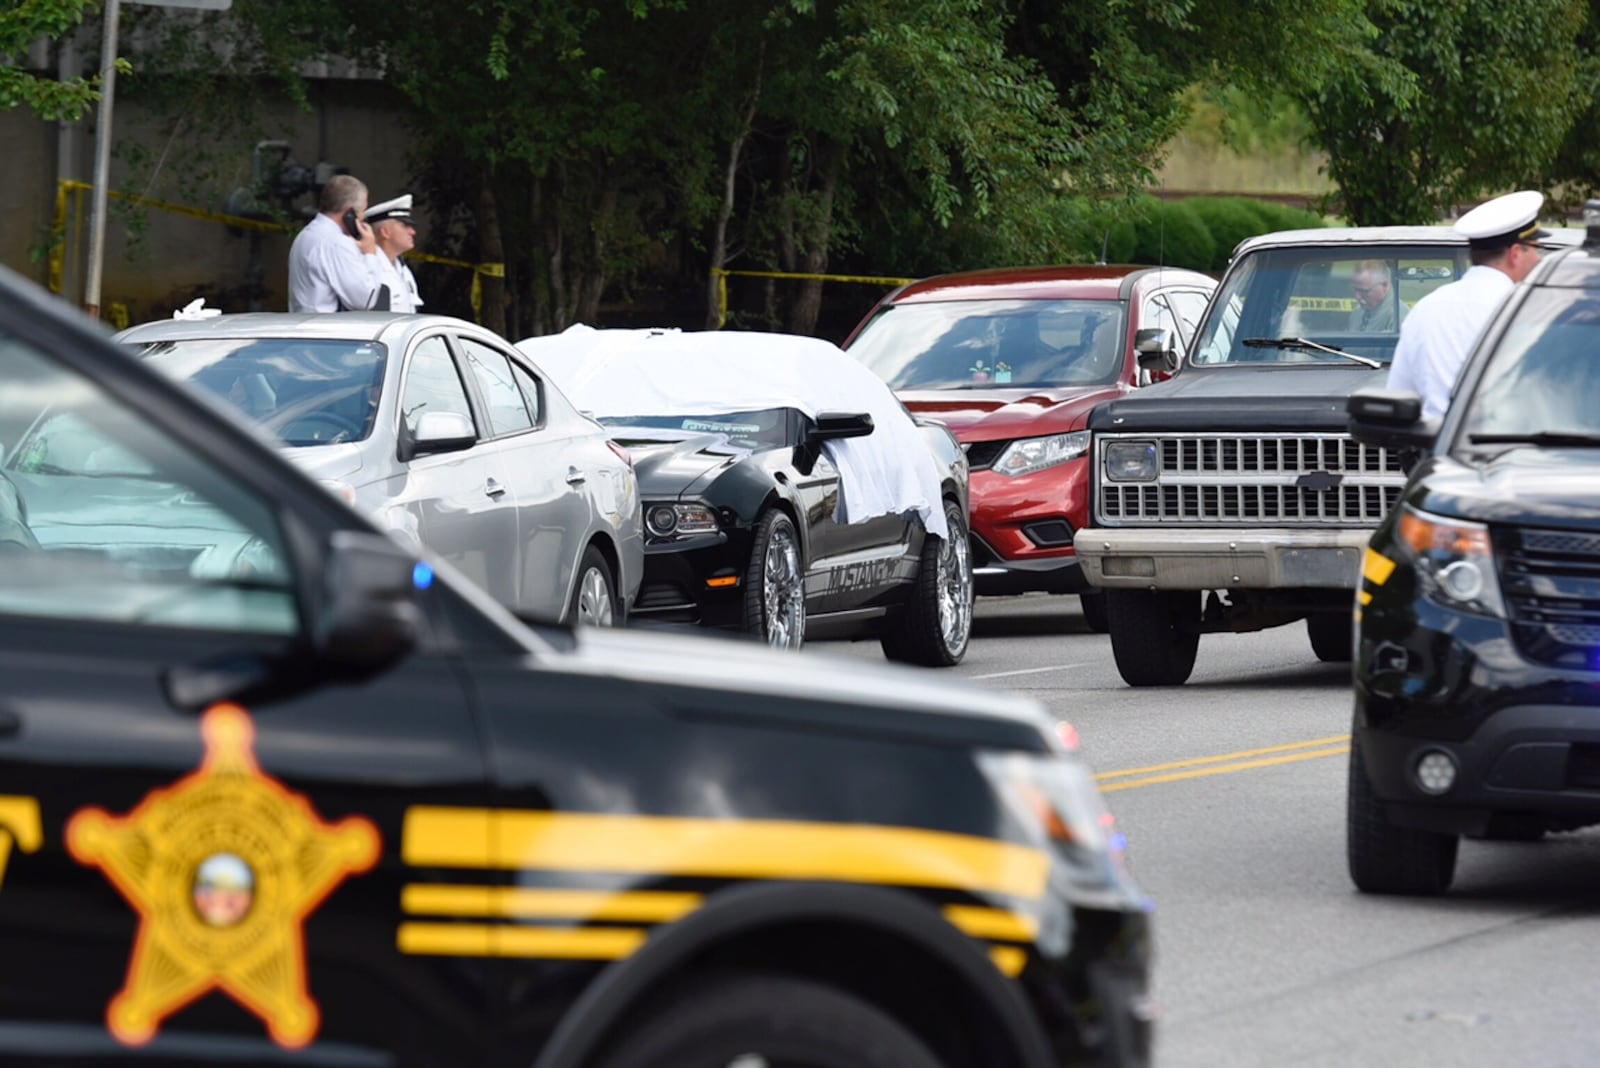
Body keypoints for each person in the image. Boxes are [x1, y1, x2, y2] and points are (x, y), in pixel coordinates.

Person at [1387, 190, 1548, 419]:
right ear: (1515, 254)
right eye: (1535, 248)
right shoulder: (1525, 311)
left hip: (1435, 450)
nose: (1539, 258)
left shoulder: (1426, 308)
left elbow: (1399, 395)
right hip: (1511, 447)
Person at [286, 174, 385, 313]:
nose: (363, 219)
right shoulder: (337, 243)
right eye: (363, 211)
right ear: (350, 213)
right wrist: (370, 253)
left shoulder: (307, 234)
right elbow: (366, 299)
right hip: (325, 330)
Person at [365, 194, 425, 314]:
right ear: (385, 232)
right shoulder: (368, 268)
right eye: (405, 226)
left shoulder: (403, 270)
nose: (412, 232)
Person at [1348, 260, 1405, 332]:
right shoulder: (1357, 312)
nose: (1357, 297)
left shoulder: (1399, 318)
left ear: (1384, 285)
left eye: (1364, 291)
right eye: (1355, 289)